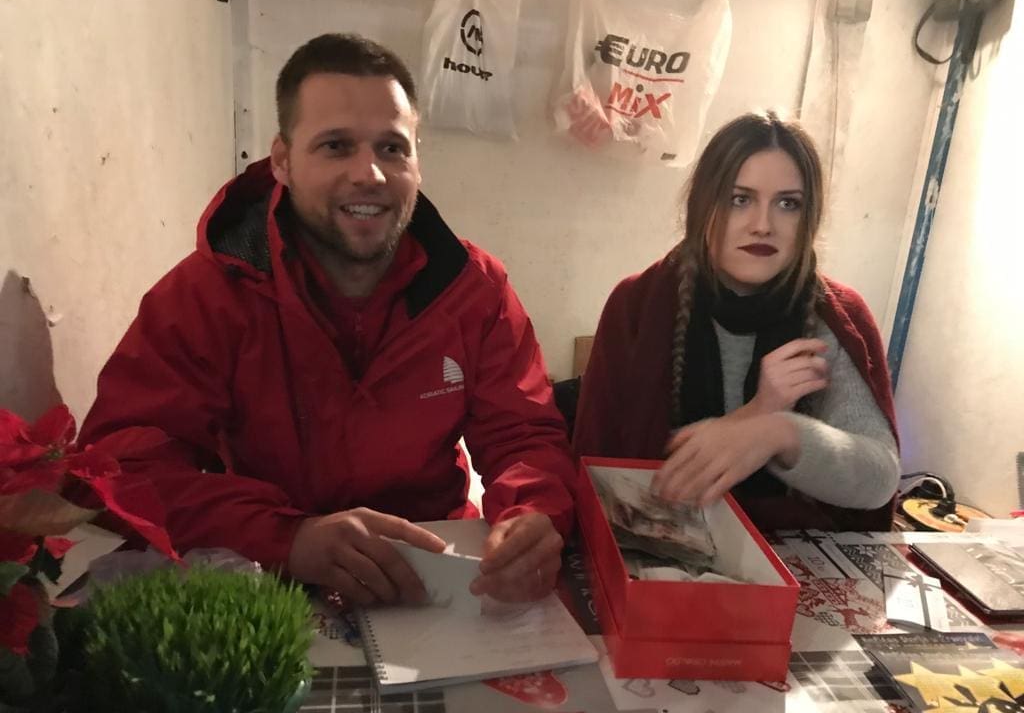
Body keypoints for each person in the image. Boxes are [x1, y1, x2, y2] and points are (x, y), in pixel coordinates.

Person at [78, 33, 575, 604]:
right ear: (282, 161)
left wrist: (535, 514)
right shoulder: (208, 293)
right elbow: (118, 468)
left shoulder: (475, 290)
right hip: (271, 578)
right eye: (336, 146)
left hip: (436, 575)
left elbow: (524, 436)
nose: (370, 174)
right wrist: (288, 537)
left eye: (392, 148)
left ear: (417, 161)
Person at [573, 111, 900, 532]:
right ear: (703, 205)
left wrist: (778, 432)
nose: (762, 226)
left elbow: (880, 477)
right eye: (739, 199)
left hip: (788, 554)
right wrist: (756, 412)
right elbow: (601, 470)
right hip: (657, 545)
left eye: (788, 204)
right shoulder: (637, 303)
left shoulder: (836, 317)